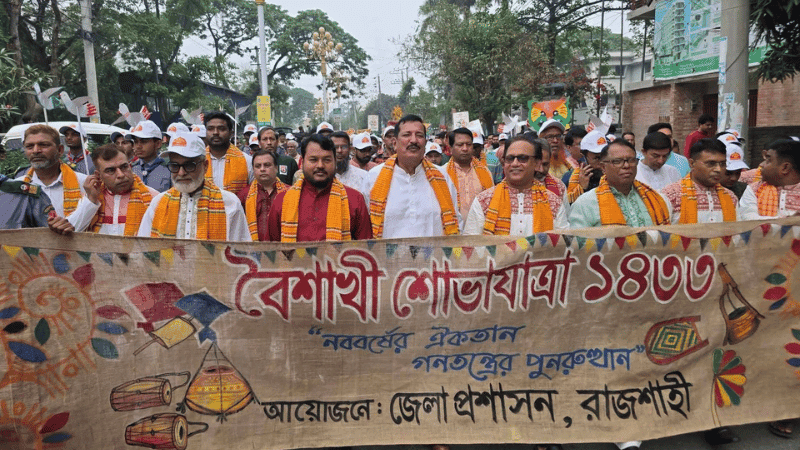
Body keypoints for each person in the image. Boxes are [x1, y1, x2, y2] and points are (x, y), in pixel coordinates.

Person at [137, 132, 251, 241]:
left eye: (189, 165)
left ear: (205, 166)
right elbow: (144, 250)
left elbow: (241, 253)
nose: (181, 173)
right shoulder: (158, 203)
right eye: (175, 166)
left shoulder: (230, 203)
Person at [363, 114, 460, 238]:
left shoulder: (442, 178)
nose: (413, 140)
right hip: (386, 257)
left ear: (425, 142)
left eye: (419, 135)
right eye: (406, 135)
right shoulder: (373, 178)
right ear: (394, 143)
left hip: (435, 257)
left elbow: (457, 224)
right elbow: (364, 230)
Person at [268, 134, 372, 242]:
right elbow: (271, 252)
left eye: (327, 160)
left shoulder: (354, 200)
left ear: (335, 162)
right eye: (313, 160)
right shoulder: (282, 201)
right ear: (302, 162)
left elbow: (367, 250)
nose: (320, 165)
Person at [464, 135, 567, 235]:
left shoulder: (553, 202)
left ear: (537, 163)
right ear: (503, 163)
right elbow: (470, 245)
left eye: (522, 158)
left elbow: (562, 244)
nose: (515, 163)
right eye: (510, 158)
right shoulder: (484, 201)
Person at [569, 138, 671, 229]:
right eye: (617, 161)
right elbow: (578, 246)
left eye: (631, 160)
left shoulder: (657, 199)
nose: (626, 165)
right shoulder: (585, 204)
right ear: (603, 167)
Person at [70, 144, 158, 235]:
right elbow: (71, 231)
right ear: (98, 175)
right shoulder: (91, 197)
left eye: (124, 167)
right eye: (110, 170)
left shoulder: (153, 197)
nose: (121, 175)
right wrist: (91, 201)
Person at [17, 124, 89, 221]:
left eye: (43, 145)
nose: (36, 151)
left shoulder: (84, 184)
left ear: (60, 150)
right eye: (30, 146)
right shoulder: (18, 186)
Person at [660, 139, 738, 224]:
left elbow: (737, 234)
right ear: (692, 163)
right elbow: (661, 233)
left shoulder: (730, 198)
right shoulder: (671, 195)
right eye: (711, 163)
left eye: (723, 164)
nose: (718, 169)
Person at [739, 138, 800, 220]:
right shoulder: (754, 190)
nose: (761, 164)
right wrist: (790, 221)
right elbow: (749, 220)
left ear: (785, 167)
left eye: (768, 160)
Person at [237, 150, 288, 241]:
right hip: (253, 250)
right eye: (258, 166)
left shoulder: (289, 193)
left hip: (284, 250)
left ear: (276, 168)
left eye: (267, 165)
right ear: (253, 169)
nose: (262, 169)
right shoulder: (243, 195)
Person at [445, 127, 494, 219]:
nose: (465, 148)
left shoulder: (485, 172)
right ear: (451, 148)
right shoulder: (443, 173)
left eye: (469, 144)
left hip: (480, 229)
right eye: (460, 145)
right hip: (452, 229)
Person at [203, 111, 253, 194]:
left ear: (231, 133)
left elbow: (253, 193)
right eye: (210, 128)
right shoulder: (197, 161)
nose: (215, 132)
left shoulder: (247, 161)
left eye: (221, 129)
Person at [130, 120, 172, 192]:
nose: (138, 146)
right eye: (136, 142)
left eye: (144, 141)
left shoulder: (169, 169)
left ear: (158, 144)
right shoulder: (132, 168)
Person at [566, 129, 606, 203]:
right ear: (584, 157)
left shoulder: (615, 173)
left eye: (605, 157)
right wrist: (582, 188)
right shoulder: (572, 177)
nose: (602, 162)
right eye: (597, 158)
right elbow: (569, 205)